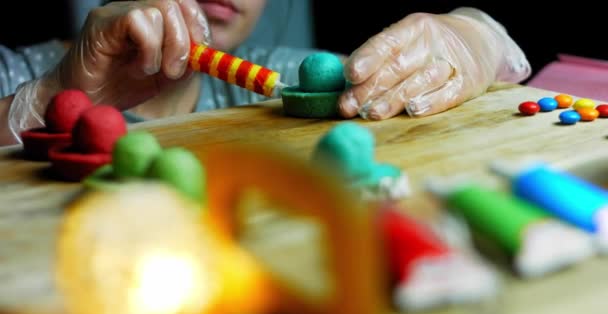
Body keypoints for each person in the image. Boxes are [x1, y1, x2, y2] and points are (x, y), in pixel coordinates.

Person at [0, 0, 530, 146]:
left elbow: (497, 59)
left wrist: (474, 35)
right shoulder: (17, 70)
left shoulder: (283, 80)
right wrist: (45, 100)